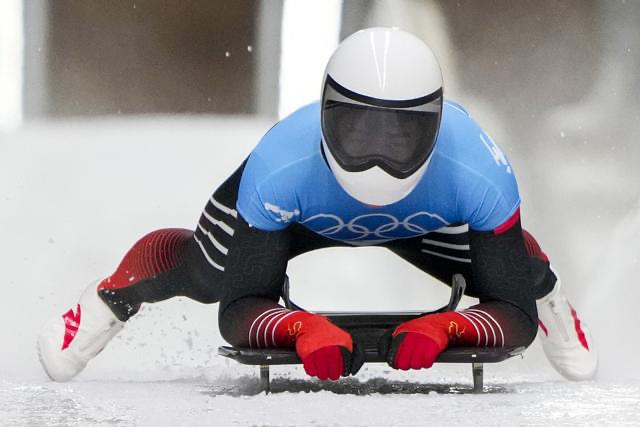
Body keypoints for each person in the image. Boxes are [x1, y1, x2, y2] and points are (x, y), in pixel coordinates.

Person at [38, 27, 597, 383]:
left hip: (413, 215)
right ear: (327, 112)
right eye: (359, 130)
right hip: (303, 213)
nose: (377, 159)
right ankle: (107, 300)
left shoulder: (479, 169)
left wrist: (450, 327)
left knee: (508, 269)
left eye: (400, 135)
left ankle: (551, 296)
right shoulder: (279, 167)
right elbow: (237, 306)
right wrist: (298, 328)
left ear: (434, 124)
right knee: (207, 273)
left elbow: (512, 311)